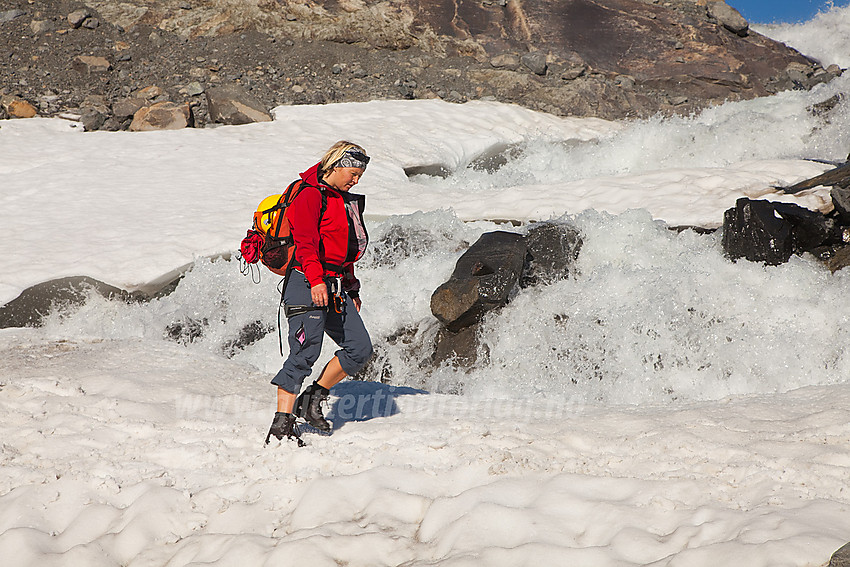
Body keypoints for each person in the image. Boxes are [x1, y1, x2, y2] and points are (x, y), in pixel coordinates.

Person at [265, 141, 373, 446]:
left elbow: (345, 251)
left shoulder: (343, 200)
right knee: (303, 354)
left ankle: (312, 400)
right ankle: (281, 427)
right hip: (306, 283)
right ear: (336, 165)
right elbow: (306, 243)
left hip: (334, 286)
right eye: (352, 173)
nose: (355, 180)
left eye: (359, 177)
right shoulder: (310, 194)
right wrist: (315, 281)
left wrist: (351, 287)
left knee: (359, 348)